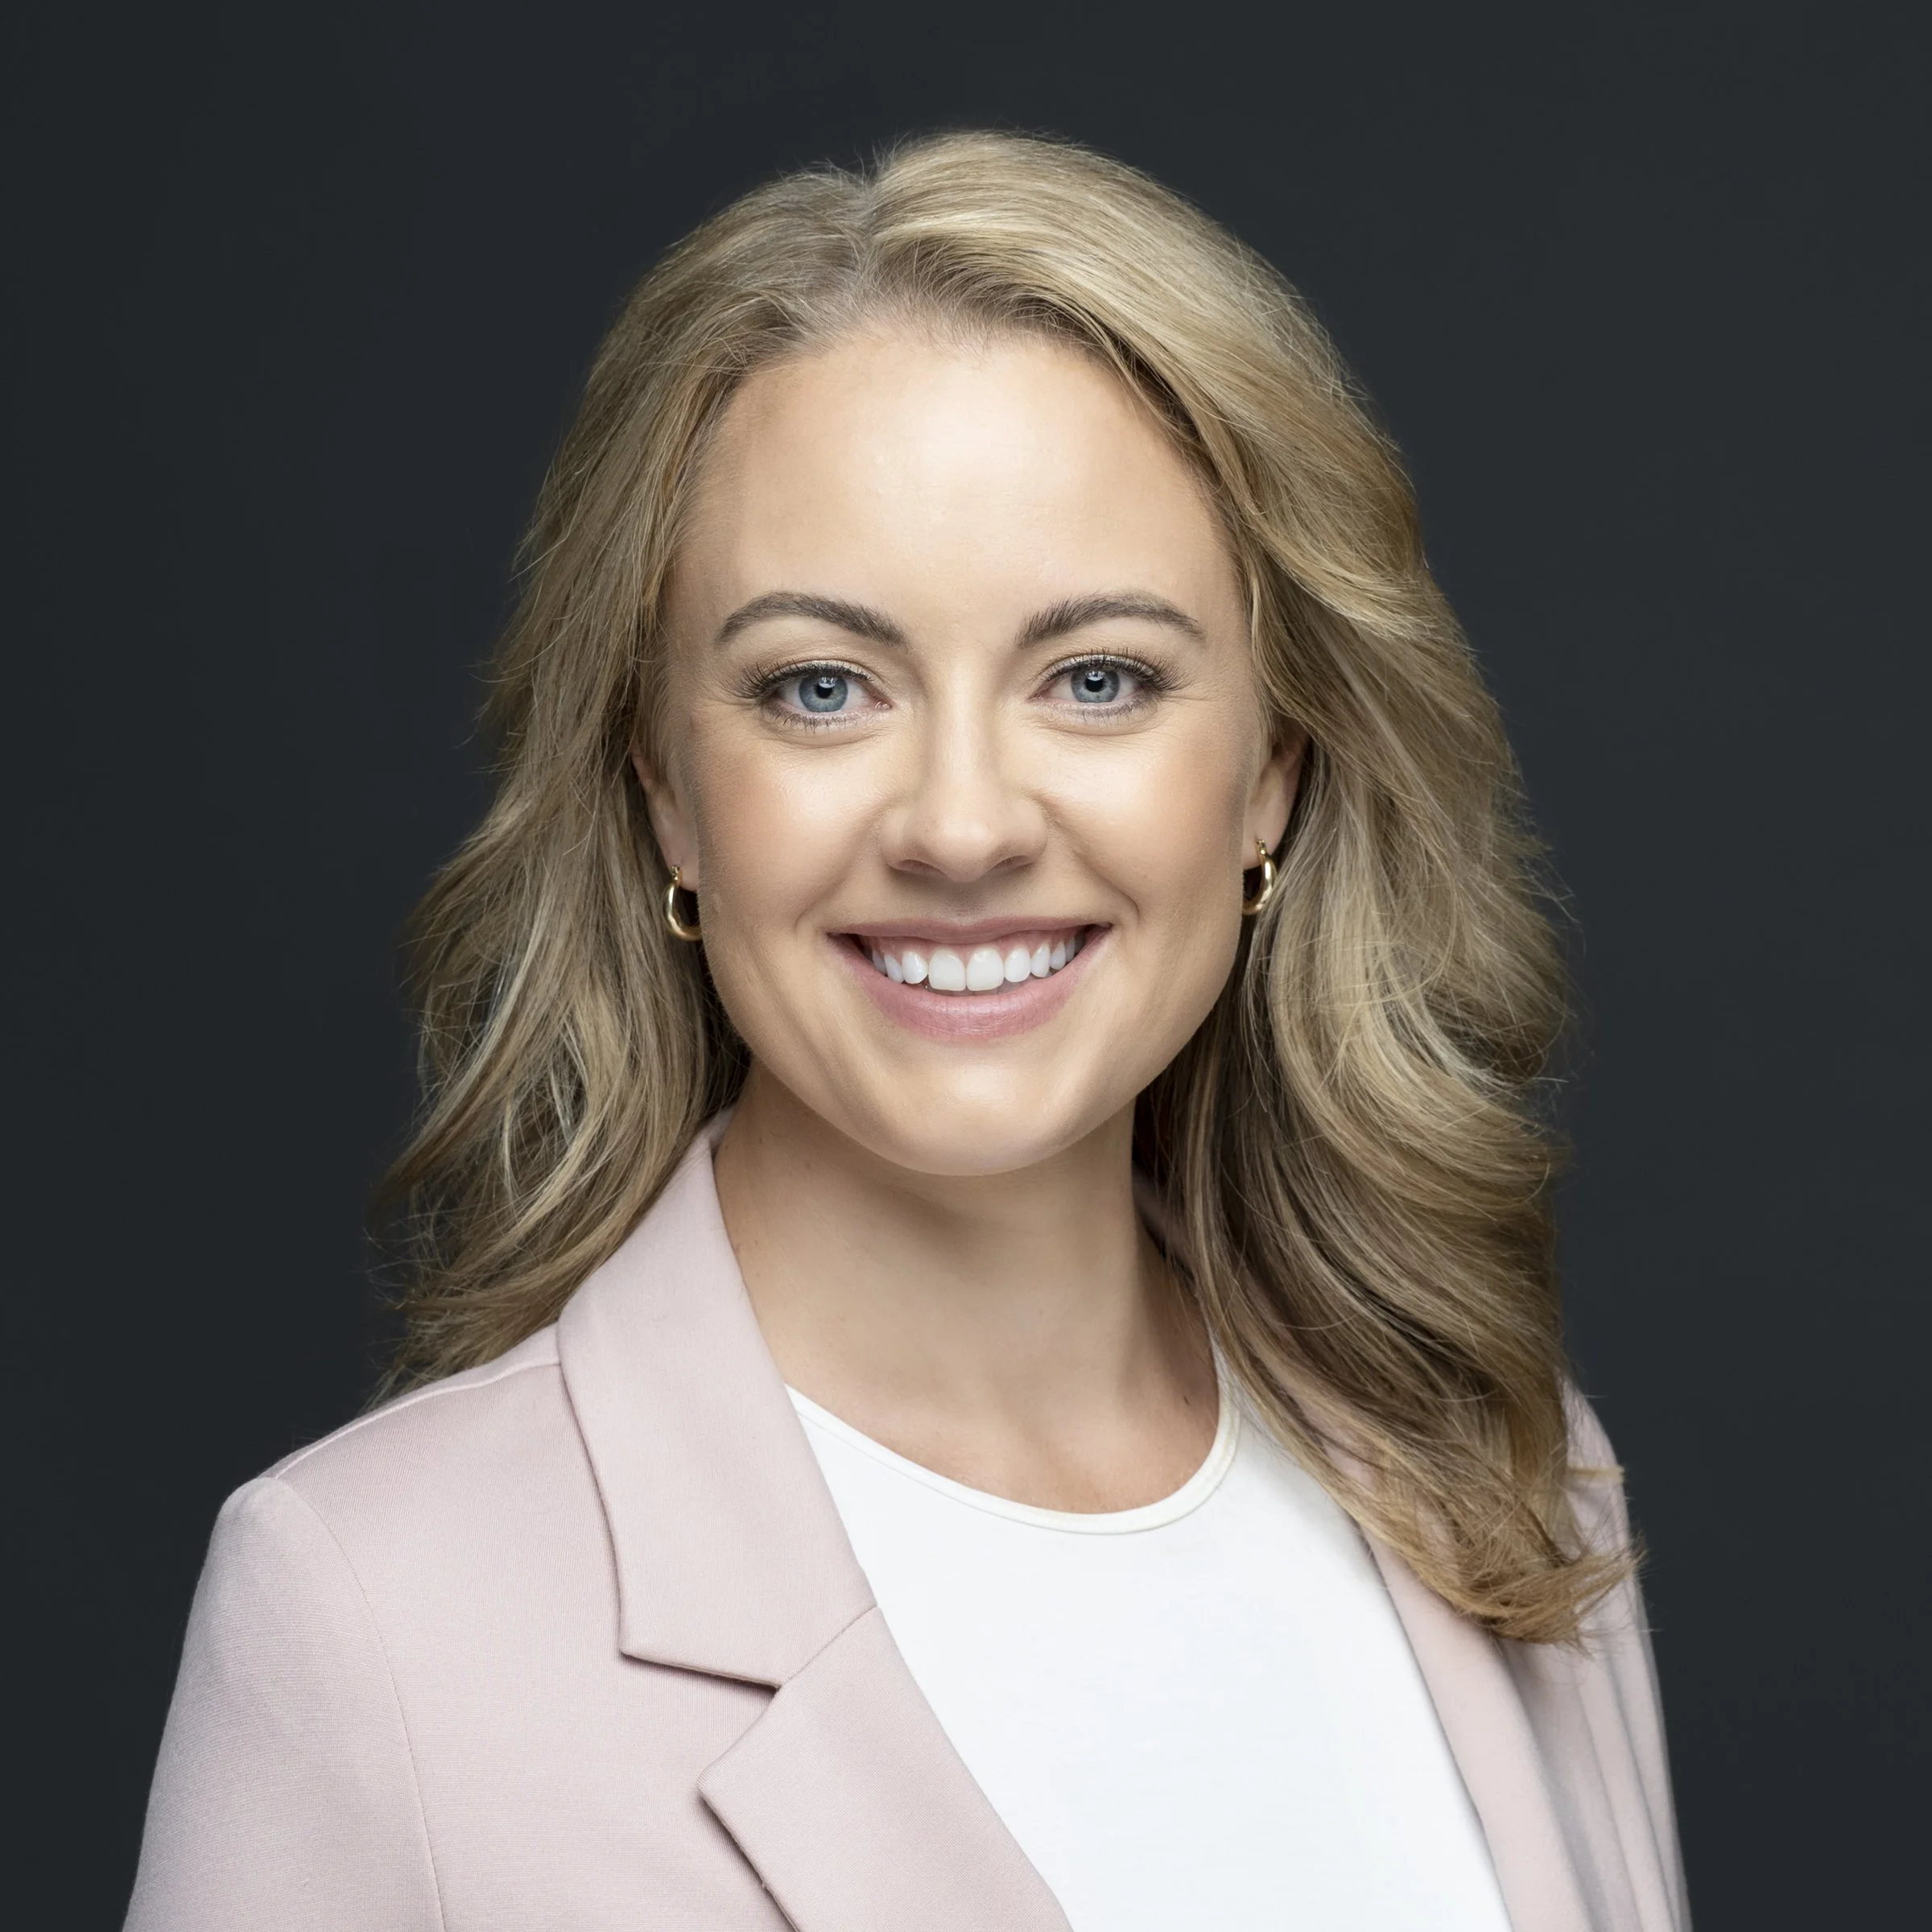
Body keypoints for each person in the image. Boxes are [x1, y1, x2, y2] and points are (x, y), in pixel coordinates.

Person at [126, 132, 1688, 1932]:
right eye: (821, 687)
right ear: (665, 795)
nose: (960, 825)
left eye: (1097, 678)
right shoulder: (370, 1619)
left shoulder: (1506, 1477)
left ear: (1271, 774)